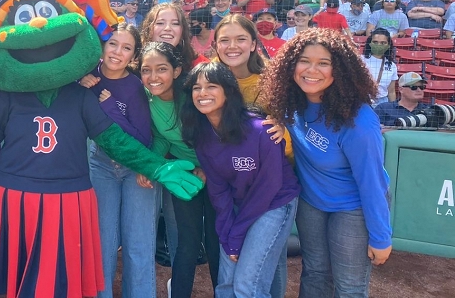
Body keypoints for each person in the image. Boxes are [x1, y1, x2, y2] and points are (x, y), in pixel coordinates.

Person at [259, 28, 392, 297]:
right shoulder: (290, 103)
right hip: (312, 203)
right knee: (315, 274)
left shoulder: (359, 121)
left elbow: (372, 183)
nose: (312, 70)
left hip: (352, 208)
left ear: (340, 70)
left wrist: (381, 237)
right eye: (304, 61)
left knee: (349, 287)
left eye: (323, 63)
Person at [181, 62, 300, 298]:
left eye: (211, 86)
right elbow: (218, 189)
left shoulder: (261, 130)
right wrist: (227, 231)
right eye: (197, 87)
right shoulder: (203, 133)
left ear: (228, 91)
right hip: (240, 204)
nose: (202, 93)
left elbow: (268, 187)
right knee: (226, 285)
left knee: (248, 287)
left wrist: (236, 233)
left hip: (274, 203)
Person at [76, 23, 156, 298]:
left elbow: (141, 138)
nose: (117, 52)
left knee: (138, 243)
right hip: (100, 164)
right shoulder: (84, 76)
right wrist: (80, 83)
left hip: (135, 167)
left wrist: (109, 107)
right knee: (102, 243)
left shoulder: (135, 86)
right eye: (113, 44)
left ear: (134, 56)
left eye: (126, 48)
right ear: (102, 46)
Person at [141, 41, 220, 297]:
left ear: (176, 71)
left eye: (161, 69)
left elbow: (217, 131)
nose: (153, 77)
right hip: (184, 174)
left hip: (217, 171)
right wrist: (149, 164)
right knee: (186, 243)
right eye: (146, 70)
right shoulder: (150, 100)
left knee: (215, 241)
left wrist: (207, 167)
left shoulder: (193, 94)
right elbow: (164, 137)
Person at [361, 29, 398, 106]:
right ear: (370, 43)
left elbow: (391, 91)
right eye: (375, 42)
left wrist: (392, 109)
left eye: (383, 43)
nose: (379, 45)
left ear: (388, 45)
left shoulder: (392, 66)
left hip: (383, 103)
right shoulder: (360, 60)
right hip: (362, 101)